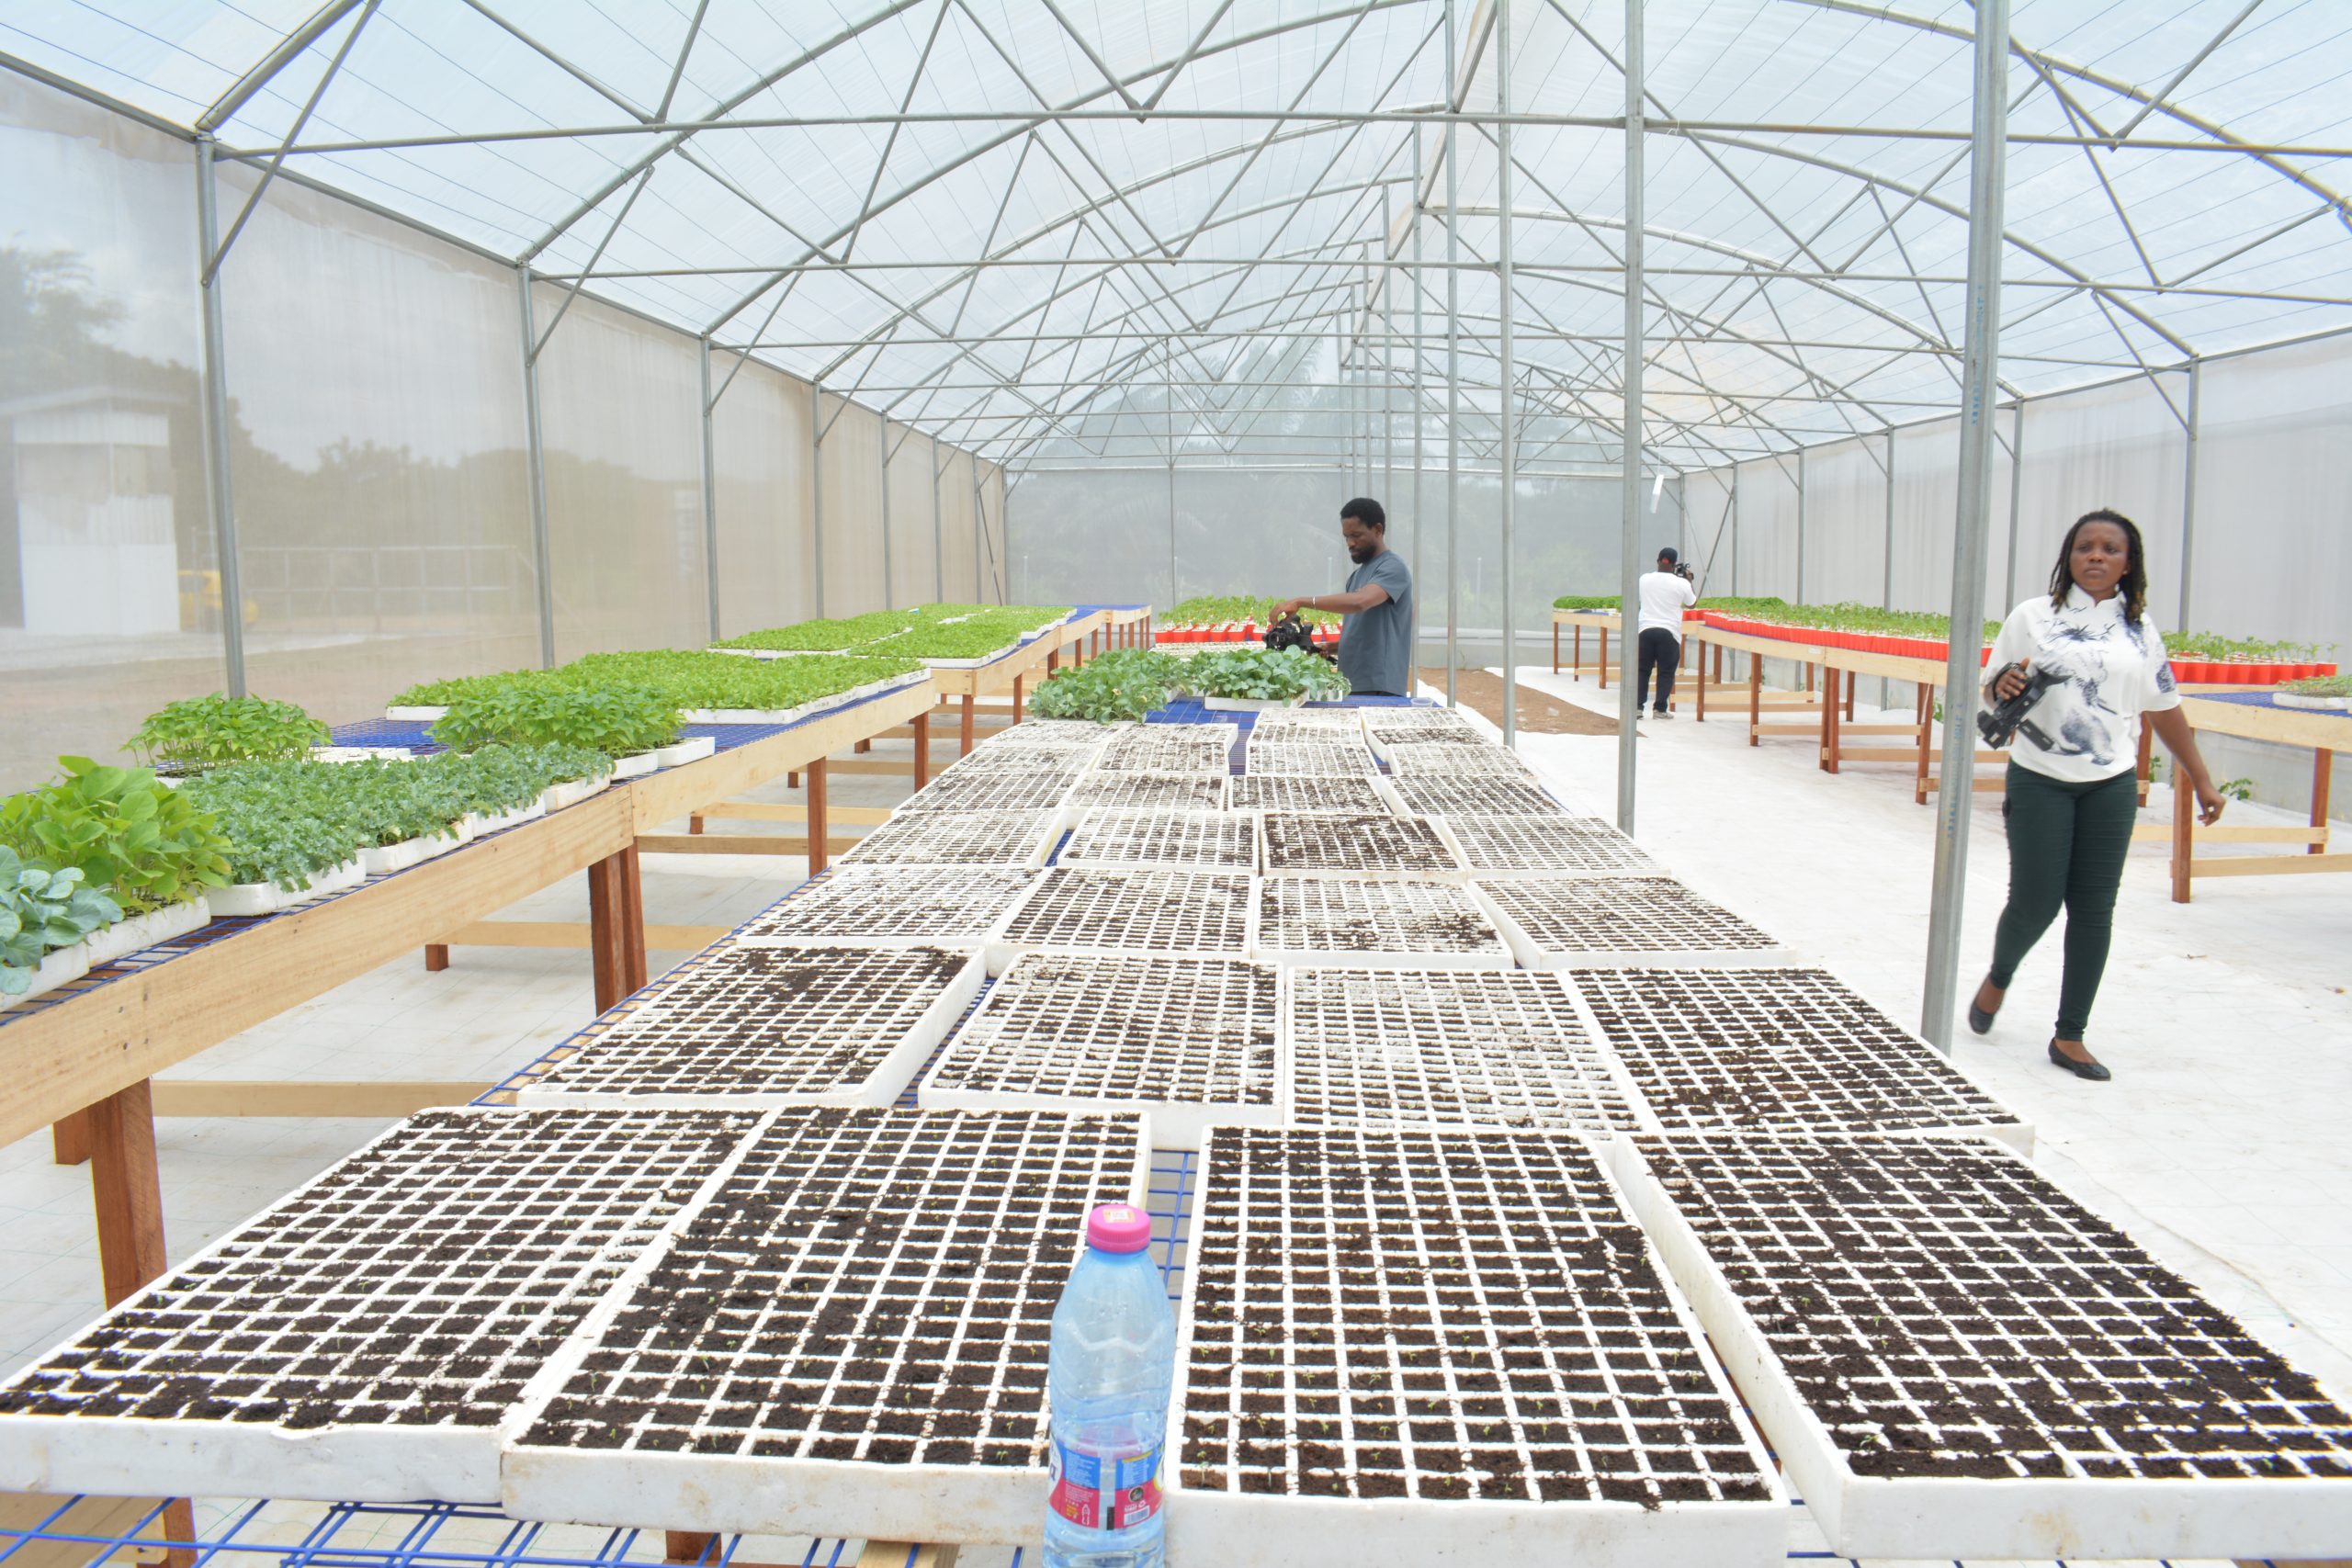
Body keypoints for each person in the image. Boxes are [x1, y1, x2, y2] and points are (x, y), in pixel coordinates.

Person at [1969, 507, 2225, 1083]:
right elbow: (1990, 687)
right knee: (2035, 901)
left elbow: (2164, 707)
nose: (2097, 557)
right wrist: (2000, 682)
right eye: (2086, 547)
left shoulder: (2141, 631)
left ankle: (2070, 1034)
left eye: (2111, 549)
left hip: (2110, 783)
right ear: (2068, 556)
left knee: (2093, 909)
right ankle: (2001, 973)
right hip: (2039, 776)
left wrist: (2201, 778)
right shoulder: (2033, 616)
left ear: (2128, 563)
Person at [1272, 498, 1414, 697]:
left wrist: (1302, 601)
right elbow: (1371, 632)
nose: (1350, 543)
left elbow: (1360, 602)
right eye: (1346, 537)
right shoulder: (1357, 576)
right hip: (1353, 684)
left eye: (1356, 535)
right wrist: (1333, 647)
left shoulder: (1392, 567)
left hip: (1379, 685)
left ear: (1378, 529)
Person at [1636, 546, 1698, 717]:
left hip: (1645, 630)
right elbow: (1692, 603)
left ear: (1658, 561)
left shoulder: (1644, 579)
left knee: (1642, 670)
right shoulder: (1682, 583)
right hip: (1669, 633)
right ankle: (1660, 709)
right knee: (1665, 672)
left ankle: (1638, 708)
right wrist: (1689, 580)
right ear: (1674, 564)